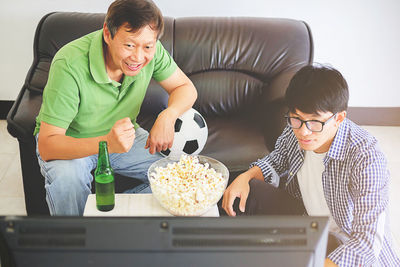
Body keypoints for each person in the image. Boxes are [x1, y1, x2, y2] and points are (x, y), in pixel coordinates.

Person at [222, 64, 400, 266]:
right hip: (309, 220)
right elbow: (277, 159)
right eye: (296, 118)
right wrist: (245, 177)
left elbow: (366, 244)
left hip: (346, 246)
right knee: (248, 189)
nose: (304, 132)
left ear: (339, 118)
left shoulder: (367, 157)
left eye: (315, 122)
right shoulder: (295, 129)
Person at [34, 0, 197, 216]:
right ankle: (77, 244)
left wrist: (169, 114)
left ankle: (111, 223)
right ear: (107, 35)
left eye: (147, 46)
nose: (138, 57)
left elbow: (185, 87)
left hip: (125, 137)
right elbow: (48, 146)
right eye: (129, 45)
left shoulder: (153, 52)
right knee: (67, 182)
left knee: (182, 177)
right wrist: (106, 143)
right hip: (72, 142)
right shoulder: (69, 63)